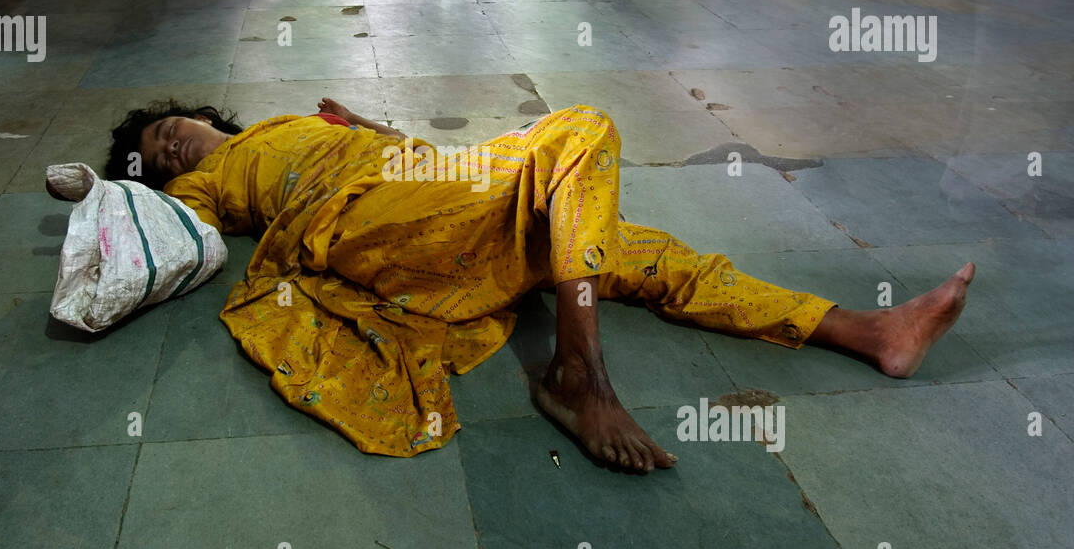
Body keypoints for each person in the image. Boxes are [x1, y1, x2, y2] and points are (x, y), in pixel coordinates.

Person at [104, 100, 976, 473]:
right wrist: (101, 192)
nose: (172, 147)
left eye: (170, 128)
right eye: (158, 154)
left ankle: (868, 333)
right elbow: (162, 238)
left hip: (434, 191)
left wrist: (368, 127)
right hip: (372, 225)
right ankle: (578, 374)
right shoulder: (202, 189)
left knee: (643, 253)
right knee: (583, 133)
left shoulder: (285, 121)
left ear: (205, 114)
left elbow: (408, 152)